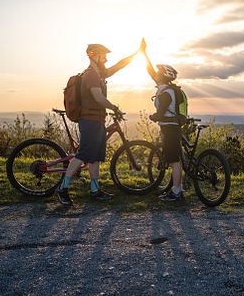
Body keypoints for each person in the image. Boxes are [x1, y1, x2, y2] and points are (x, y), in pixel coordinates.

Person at [56, 41, 143, 206]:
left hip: (97, 120)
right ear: (94, 55)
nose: (106, 59)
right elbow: (98, 97)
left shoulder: (100, 74)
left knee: (95, 157)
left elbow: (118, 66)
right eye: (103, 56)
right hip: (89, 120)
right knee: (82, 155)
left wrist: (137, 53)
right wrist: (113, 107)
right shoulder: (91, 75)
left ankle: (95, 190)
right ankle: (63, 188)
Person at [142, 40, 185, 202]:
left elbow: (160, 114)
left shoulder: (166, 93)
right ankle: (176, 188)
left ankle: (176, 192)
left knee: (174, 161)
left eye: (159, 73)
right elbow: (149, 70)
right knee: (174, 159)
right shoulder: (165, 87)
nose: (156, 74)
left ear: (164, 76)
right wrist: (144, 53)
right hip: (170, 128)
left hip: (170, 128)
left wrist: (153, 117)